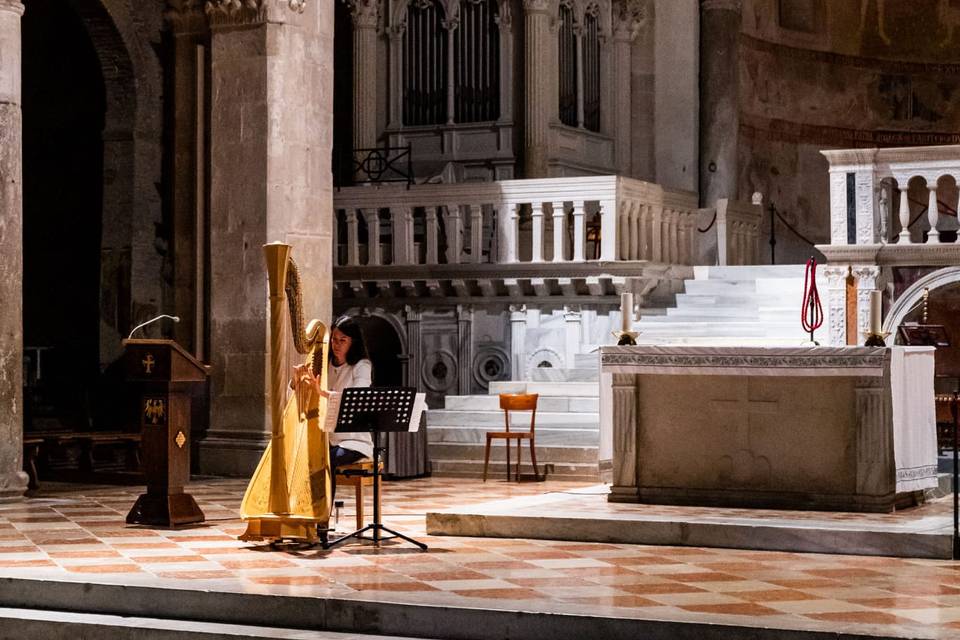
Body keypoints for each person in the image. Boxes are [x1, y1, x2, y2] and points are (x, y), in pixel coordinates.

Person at [293, 317, 373, 509]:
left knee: (326, 460)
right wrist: (297, 380)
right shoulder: (324, 365)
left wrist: (322, 392)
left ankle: (322, 516)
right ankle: (309, 513)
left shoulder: (361, 366)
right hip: (328, 438)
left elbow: (356, 397)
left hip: (354, 441)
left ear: (353, 342)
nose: (336, 345)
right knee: (308, 459)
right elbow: (299, 394)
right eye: (334, 339)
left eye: (342, 340)